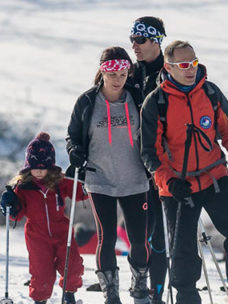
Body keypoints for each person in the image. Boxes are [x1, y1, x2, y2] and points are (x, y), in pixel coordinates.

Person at [140, 40, 228, 304]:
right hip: (178, 187)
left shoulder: (210, 92)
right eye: (184, 65)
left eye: (194, 63)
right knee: (183, 252)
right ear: (169, 67)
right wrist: (170, 182)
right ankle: (188, 299)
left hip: (214, 178)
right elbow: (150, 153)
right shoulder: (156, 103)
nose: (190, 69)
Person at [66, 46, 152, 304]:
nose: (118, 80)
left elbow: (152, 130)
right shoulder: (88, 102)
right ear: (102, 72)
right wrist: (75, 151)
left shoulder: (137, 99)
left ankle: (139, 288)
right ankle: (111, 294)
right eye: (112, 73)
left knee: (139, 239)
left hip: (136, 178)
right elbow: (72, 136)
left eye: (123, 74)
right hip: (99, 178)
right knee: (107, 237)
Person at [0, 132, 89, 304]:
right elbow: (17, 214)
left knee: (73, 266)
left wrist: (84, 181)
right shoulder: (23, 187)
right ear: (28, 166)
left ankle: (69, 295)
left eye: (43, 167)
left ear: (50, 166)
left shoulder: (60, 182)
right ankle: (40, 300)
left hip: (62, 232)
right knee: (41, 273)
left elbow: (80, 193)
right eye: (35, 167)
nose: (39, 171)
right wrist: (9, 205)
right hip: (37, 236)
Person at [124, 16, 170, 303]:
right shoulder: (129, 73)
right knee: (144, 232)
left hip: (164, 163)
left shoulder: (169, 72)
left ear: (156, 41)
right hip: (135, 164)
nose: (134, 46)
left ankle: (159, 291)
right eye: (132, 40)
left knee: (162, 234)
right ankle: (140, 283)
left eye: (140, 40)